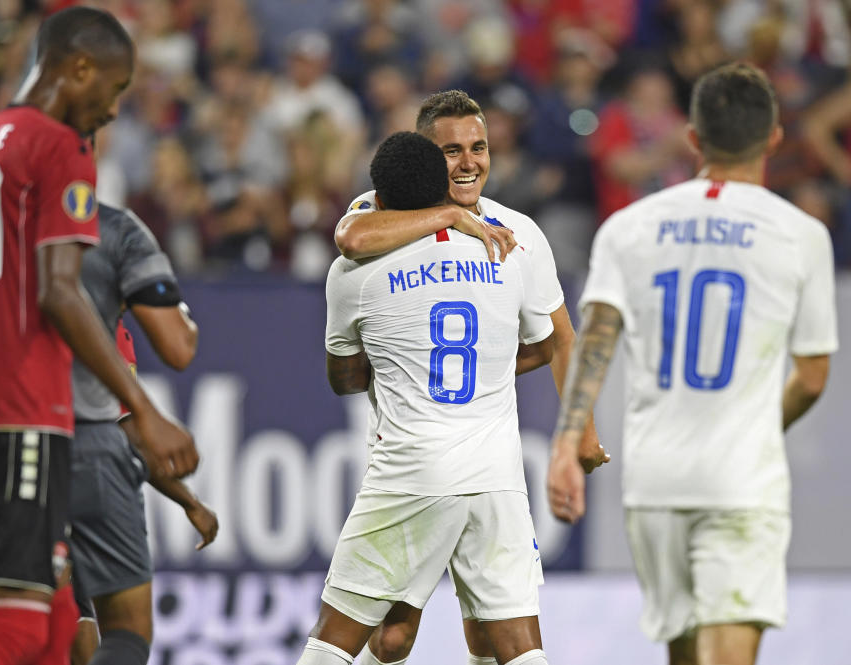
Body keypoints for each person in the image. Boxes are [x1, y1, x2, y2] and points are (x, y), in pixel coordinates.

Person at [0, 8, 198, 665]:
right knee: (18, 629)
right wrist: (147, 411)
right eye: (115, 89)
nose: (112, 110)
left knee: (50, 626)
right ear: (79, 69)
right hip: (21, 410)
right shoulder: (57, 147)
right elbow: (60, 289)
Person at [547, 63, 837, 665]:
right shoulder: (799, 234)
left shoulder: (628, 228)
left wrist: (567, 440)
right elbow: (812, 377)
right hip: (740, 479)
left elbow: (597, 337)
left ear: (694, 140)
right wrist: (761, 426)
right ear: (775, 137)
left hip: (655, 481)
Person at [334, 89, 606, 665]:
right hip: (415, 458)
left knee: (492, 636)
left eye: (478, 147)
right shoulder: (377, 212)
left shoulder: (519, 234)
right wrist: (456, 216)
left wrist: (579, 428)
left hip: (486, 463)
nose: (469, 162)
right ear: (423, 157)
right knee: (393, 636)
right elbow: (351, 238)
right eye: (451, 150)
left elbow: (557, 337)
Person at [0, 204, 218, 665]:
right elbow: (129, 431)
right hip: (50, 478)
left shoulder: (26, 318)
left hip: (10, 482)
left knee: (43, 633)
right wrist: (188, 500)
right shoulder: (92, 333)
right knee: (55, 636)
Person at [301, 129, 557, 665]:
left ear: (381, 200)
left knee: (334, 640)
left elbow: (345, 380)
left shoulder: (354, 273)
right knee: (516, 646)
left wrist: (403, 366)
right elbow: (542, 344)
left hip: (412, 469)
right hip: (496, 475)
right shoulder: (504, 249)